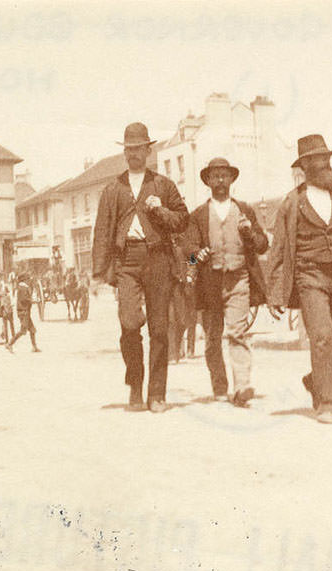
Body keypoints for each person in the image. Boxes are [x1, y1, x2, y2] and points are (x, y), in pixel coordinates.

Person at [91, 122, 189, 413]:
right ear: (124, 153)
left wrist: (161, 210)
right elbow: (102, 231)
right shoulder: (113, 189)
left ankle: (156, 394)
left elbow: (183, 220)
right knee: (130, 323)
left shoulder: (163, 185)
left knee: (159, 330)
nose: (134, 154)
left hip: (158, 259)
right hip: (127, 262)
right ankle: (135, 383)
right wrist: (98, 272)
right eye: (129, 150)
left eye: (139, 149)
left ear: (148, 150)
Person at [267, 134, 332, 424]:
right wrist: (274, 292)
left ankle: (314, 379)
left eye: (328, 159)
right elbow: (279, 248)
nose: (326, 164)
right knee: (322, 336)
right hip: (310, 275)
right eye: (319, 160)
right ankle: (327, 403)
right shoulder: (292, 202)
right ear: (306, 165)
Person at [183, 157, 273, 407]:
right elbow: (187, 251)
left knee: (237, 332)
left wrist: (249, 233)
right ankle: (220, 386)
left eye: (225, 176)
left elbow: (262, 244)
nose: (220, 180)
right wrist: (196, 255)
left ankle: (242, 386)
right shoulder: (198, 215)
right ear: (208, 181)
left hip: (239, 279)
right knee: (213, 337)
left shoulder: (244, 210)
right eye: (215, 176)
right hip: (209, 282)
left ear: (232, 179)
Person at [6, 270, 40, 353]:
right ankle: (9, 344)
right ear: (24, 280)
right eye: (27, 279)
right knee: (23, 331)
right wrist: (33, 300)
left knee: (32, 330)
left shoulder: (22, 287)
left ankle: (34, 347)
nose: (29, 280)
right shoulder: (22, 288)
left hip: (25, 312)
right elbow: (24, 299)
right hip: (23, 312)